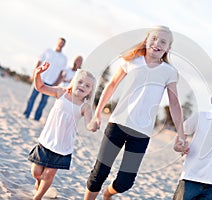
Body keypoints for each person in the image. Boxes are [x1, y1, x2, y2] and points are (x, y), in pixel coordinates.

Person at [84, 26, 186, 200]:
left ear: (168, 48)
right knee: (99, 173)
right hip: (117, 124)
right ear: (147, 40)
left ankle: (107, 193)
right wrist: (97, 114)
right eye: (154, 38)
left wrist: (181, 134)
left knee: (125, 182)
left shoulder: (169, 72)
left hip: (142, 133)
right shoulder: (131, 61)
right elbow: (111, 85)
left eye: (163, 41)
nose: (157, 43)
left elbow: (175, 104)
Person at [28, 62, 97, 200]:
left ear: (90, 91)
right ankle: (38, 182)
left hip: (62, 147)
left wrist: (94, 125)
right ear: (74, 81)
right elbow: (40, 87)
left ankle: (38, 197)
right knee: (36, 172)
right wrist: (37, 74)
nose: (83, 86)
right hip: (46, 141)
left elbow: (89, 124)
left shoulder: (85, 107)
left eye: (87, 85)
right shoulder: (61, 92)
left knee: (48, 174)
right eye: (80, 82)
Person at [23, 37, 68, 121]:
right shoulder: (48, 51)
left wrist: (56, 83)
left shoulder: (64, 58)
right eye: (60, 42)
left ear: (64, 45)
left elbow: (61, 73)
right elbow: (38, 62)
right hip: (39, 78)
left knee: (43, 102)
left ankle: (37, 118)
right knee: (31, 97)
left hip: (51, 82)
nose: (60, 44)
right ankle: (26, 114)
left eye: (62, 43)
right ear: (57, 42)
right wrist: (34, 74)